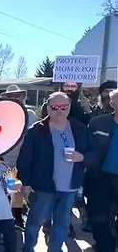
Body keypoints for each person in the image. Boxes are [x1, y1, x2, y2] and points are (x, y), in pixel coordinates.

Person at [16, 92, 92, 252]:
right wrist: (26, 182)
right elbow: (24, 159)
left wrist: (83, 157)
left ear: (69, 108)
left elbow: (94, 152)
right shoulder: (36, 131)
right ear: (48, 109)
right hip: (43, 187)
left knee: (62, 225)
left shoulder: (80, 129)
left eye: (64, 107)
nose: (59, 110)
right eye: (55, 107)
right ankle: (28, 248)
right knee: (33, 223)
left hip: (69, 188)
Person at [0, 84, 37, 229]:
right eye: (11, 96)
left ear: (23, 96)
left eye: (18, 95)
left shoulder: (31, 114)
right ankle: (11, 219)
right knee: (9, 189)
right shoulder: (2, 114)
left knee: (20, 191)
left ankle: (18, 217)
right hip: (7, 160)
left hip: (25, 160)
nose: (15, 98)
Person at [85, 89, 118, 252]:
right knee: (98, 216)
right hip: (101, 177)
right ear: (112, 103)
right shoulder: (99, 123)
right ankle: (105, 246)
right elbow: (88, 147)